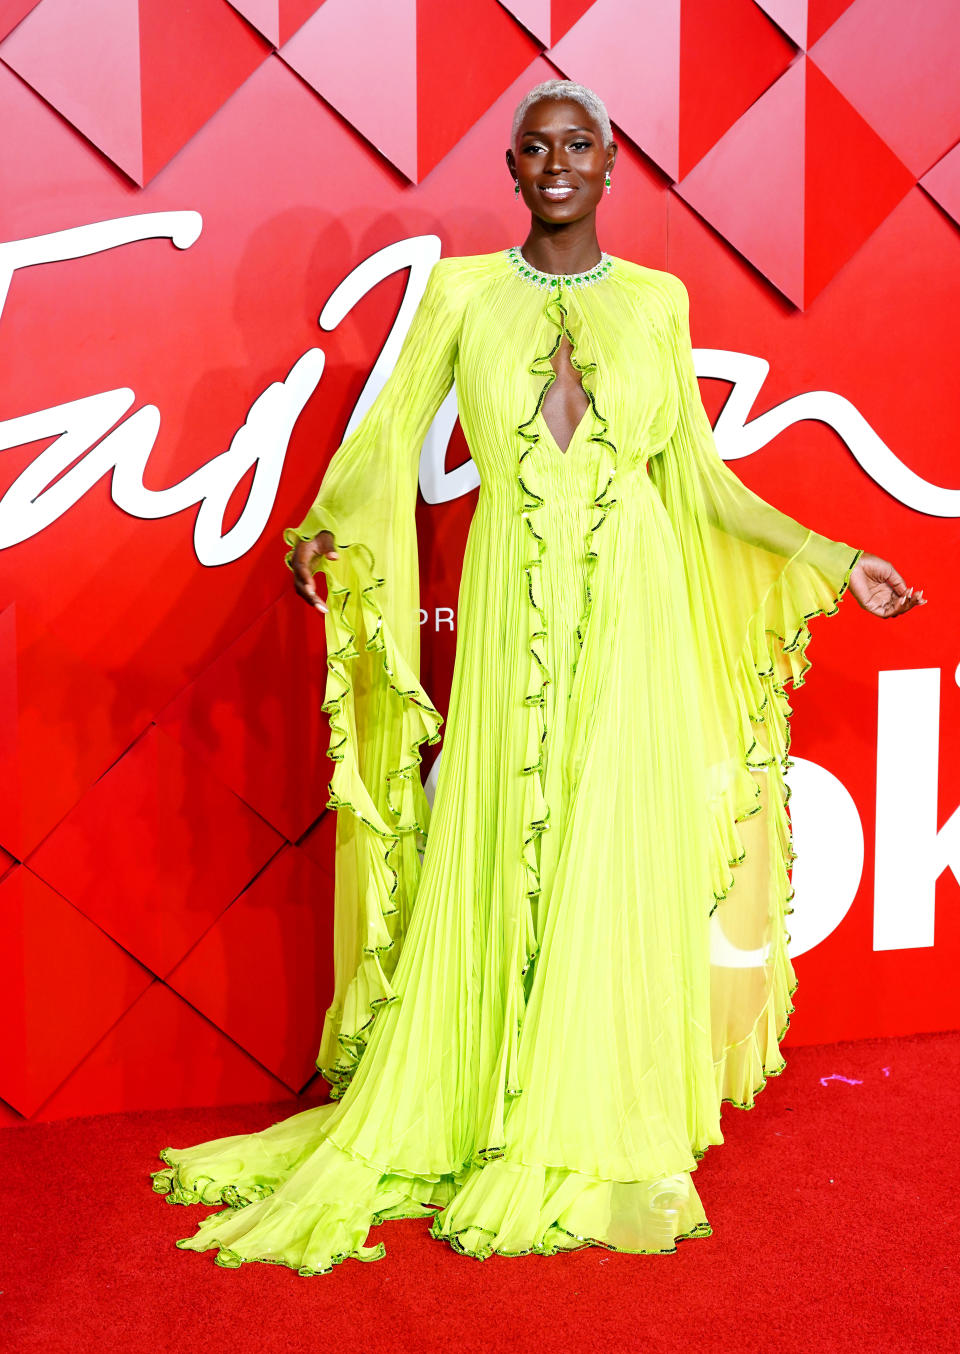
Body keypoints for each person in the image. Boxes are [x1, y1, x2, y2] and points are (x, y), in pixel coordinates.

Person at [151, 78, 924, 1274]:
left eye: (581, 146)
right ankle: (486, 1097)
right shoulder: (462, 293)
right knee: (505, 828)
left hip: (636, 614)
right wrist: (323, 529)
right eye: (536, 148)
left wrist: (835, 557)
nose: (558, 163)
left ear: (613, 169)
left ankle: (592, 1106)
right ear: (510, 169)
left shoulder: (659, 301)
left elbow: (702, 483)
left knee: (612, 853)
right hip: (515, 605)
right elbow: (381, 440)